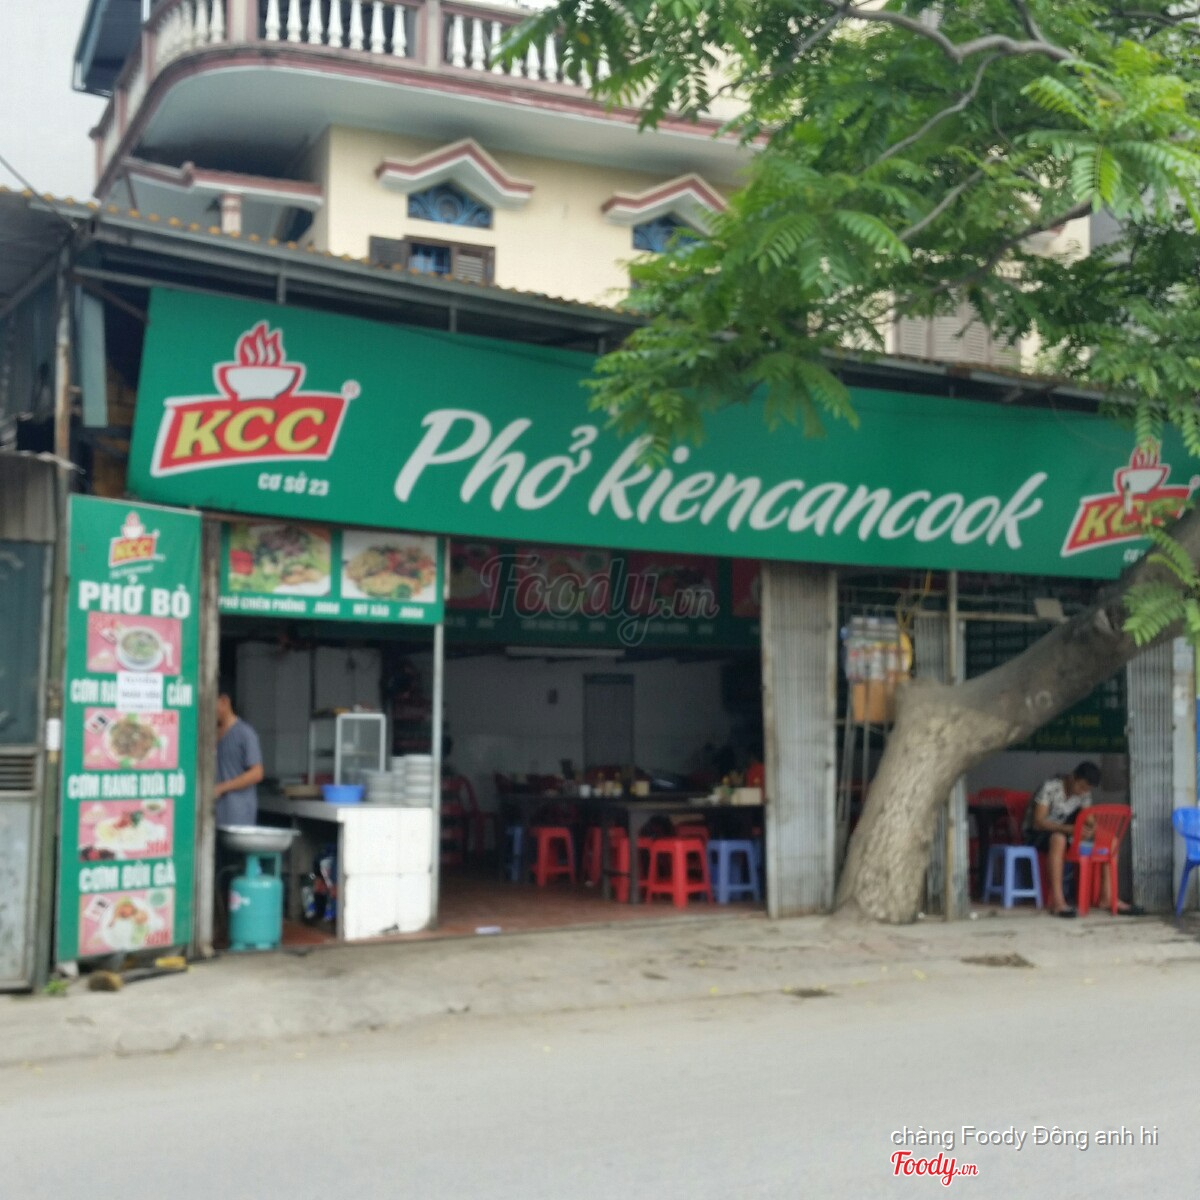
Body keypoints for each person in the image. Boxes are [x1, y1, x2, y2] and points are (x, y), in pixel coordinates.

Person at [1023, 761, 1139, 918]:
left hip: (1065, 833)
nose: (1083, 792)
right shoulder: (1050, 787)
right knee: (1058, 839)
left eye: (1087, 789)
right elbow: (1038, 822)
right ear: (1072, 778)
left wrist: (1095, 832)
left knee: (1110, 842)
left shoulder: (1084, 794)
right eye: (1081, 787)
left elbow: (1089, 819)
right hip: (1036, 834)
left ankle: (1107, 897)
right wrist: (1071, 829)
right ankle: (1057, 901)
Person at [214, 683, 264, 827]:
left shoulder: (245, 733)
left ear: (224, 701)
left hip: (238, 816)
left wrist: (221, 788)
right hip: (215, 816)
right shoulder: (210, 734)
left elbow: (257, 773)